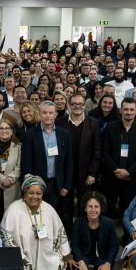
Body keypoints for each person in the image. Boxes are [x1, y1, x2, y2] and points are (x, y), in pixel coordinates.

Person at [0, 174, 72, 270]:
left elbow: (60, 232)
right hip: (23, 257)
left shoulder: (49, 209)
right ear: (25, 193)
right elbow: (5, 236)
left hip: (47, 256)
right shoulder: (13, 210)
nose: (35, 196)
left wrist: (66, 254)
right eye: (31, 193)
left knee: (57, 261)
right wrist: (19, 257)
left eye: (38, 193)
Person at [56, 93, 102, 233]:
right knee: (65, 207)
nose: (77, 106)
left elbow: (97, 150)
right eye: (74, 104)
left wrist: (92, 173)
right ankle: (68, 235)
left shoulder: (93, 123)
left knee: (84, 206)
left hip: (86, 174)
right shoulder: (59, 122)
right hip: (66, 174)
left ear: (84, 105)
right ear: (69, 105)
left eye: (80, 104)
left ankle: (83, 233)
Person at [102, 97, 136, 217]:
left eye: (131, 109)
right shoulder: (110, 127)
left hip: (131, 179)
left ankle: (126, 235)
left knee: (128, 211)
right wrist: (116, 171)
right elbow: (105, 152)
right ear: (120, 110)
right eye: (126, 109)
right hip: (112, 177)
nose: (129, 112)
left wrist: (128, 172)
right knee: (107, 209)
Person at [20, 101, 73, 209]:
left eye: (50, 113)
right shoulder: (30, 135)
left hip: (57, 184)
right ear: (39, 114)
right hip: (37, 184)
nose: (47, 116)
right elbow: (26, 162)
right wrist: (29, 185)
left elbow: (68, 162)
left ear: (55, 115)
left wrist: (66, 185)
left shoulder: (64, 134)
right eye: (44, 113)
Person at [70, 191, 119, 270]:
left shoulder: (108, 223)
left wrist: (108, 263)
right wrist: (80, 261)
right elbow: (75, 245)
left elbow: (114, 246)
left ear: (101, 209)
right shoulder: (78, 222)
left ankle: (97, 269)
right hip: (85, 254)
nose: (93, 210)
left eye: (96, 207)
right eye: (90, 206)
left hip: (101, 254)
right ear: (85, 208)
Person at [0, 118, 21, 217]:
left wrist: (9, 179)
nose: (4, 130)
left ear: (12, 131)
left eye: (7, 128)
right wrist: (1, 180)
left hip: (12, 186)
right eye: (1, 128)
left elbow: (19, 167)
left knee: (11, 216)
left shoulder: (18, 146)